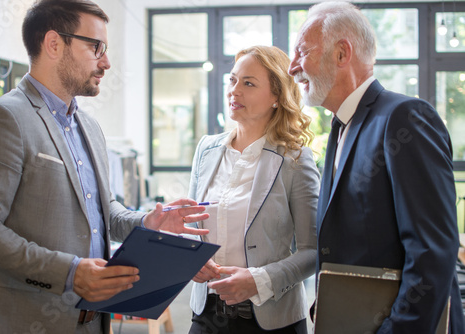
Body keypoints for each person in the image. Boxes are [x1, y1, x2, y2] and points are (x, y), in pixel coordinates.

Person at [0, 1, 209, 333]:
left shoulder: (89, 126)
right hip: (21, 320)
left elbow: (100, 210)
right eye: (96, 47)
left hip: (93, 322)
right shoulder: (3, 118)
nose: (106, 62)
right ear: (54, 44)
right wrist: (71, 272)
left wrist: (149, 221)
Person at [288, 2, 465, 333]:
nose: (291, 68)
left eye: (302, 52)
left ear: (342, 53)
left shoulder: (404, 118)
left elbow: (432, 253)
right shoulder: (341, 128)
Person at [187, 45, 320, 334]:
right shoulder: (207, 149)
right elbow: (192, 226)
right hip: (207, 315)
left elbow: (313, 250)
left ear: (277, 96)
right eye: (232, 80)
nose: (235, 90)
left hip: (272, 322)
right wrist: (193, 258)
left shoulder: (295, 158)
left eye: (248, 83)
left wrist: (260, 280)